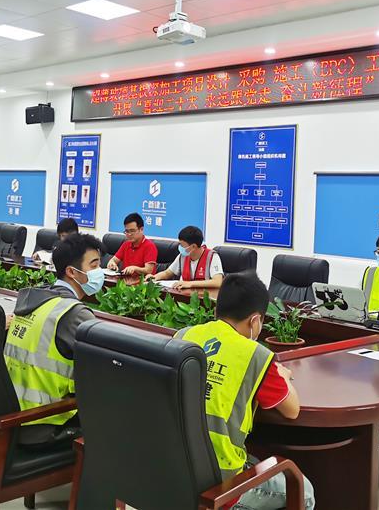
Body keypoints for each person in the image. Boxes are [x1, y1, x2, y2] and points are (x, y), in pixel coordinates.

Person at [174, 272, 315, 510]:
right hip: (220, 484)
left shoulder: (184, 335)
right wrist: (282, 375)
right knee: (304, 491)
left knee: (255, 460)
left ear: (217, 308)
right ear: (255, 321)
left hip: (175, 468)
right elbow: (292, 410)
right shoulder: (255, 356)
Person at [4, 233, 101, 447]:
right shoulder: (74, 313)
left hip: (11, 414)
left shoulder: (34, 299)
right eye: (94, 265)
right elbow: (103, 368)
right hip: (44, 423)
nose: (100, 272)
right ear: (71, 272)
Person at [150, 225, 223, 290]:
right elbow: (168, 273)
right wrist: (155, 277)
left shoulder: (211, 256)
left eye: (182, 245)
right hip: (183, 294)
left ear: (193, 246)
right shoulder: (183, 256)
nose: (179, 247)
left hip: (203, 297)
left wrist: (189, 284)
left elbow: (217, 282)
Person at [105, 212, 157, 278]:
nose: (129, 234)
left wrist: (135, 268)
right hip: (125, 280)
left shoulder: (149, 246)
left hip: (142, 282)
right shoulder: (126, 244)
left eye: (132, 231)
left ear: (141, 229)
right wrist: (112, 263)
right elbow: (113, 260)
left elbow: (149, 270)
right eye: (127, 231)